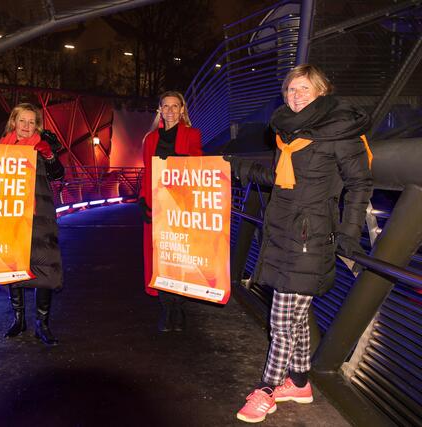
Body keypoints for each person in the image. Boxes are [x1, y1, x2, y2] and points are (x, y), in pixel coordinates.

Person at [236, 64, 372, 423]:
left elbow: (359, 184)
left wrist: (348, 233)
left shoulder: (338, 131)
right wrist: (239, 167)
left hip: (310, 237)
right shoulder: (288, 130)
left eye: (304, 90)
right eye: (291, 90)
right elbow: (282, 179)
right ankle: (298, 382)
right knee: (293, 319)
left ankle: (267, 388)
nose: (295, 96)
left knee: (281, 318)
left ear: (321, 92)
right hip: (282, 231)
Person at [0, 103, 64, 346]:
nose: (26, 127)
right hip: (12, 215)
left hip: (40, 216)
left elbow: (59, 173)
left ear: (37, 125)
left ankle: (42, 324)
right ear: (13, 122)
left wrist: (49, 155)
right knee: (13, 267)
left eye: (31, 122)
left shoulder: (43, 146)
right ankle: (18, 320)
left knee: (44, 268)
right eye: (22, 121)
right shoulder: (1, 147)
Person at [138, 91, 203, 332]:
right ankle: (167, 309)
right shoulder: (150, 138)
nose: (170, 111)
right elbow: (147, 171)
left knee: (180, 257)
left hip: (182, 206)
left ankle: (179, 307)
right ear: (160, 110)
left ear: (182, 109)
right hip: (157, 205)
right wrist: (143, 200)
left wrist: (176, 158)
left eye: (175, 106)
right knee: (161, 259)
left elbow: (197, 165)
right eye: (166, 106)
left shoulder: (192, 134)